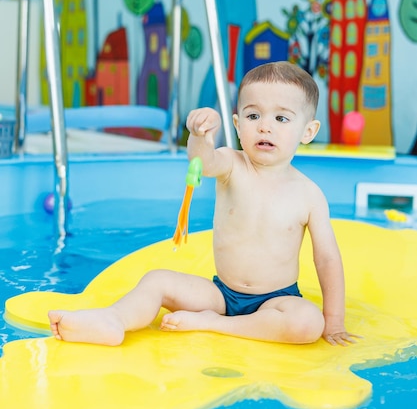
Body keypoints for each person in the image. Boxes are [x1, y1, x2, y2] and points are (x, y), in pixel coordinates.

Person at [48, 61, 357, 347]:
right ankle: (114, 320)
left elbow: (327, 260)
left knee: (307, 322)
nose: (265, 126)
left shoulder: (309, 194)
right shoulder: (233, 165)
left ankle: (213, 325)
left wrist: (335, 322)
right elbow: (203, 161)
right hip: (221, 295)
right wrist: (200, 135)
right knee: (157, 280)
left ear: (308, 131)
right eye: (253, 116)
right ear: (237, 125)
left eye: (280, 118)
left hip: (276, 301)